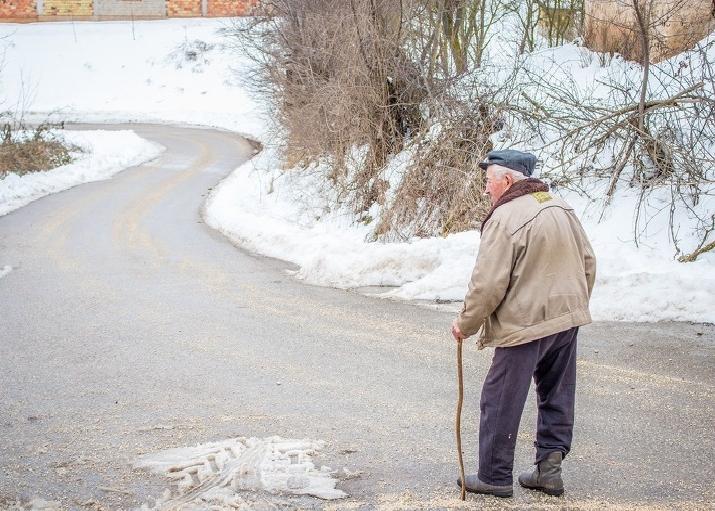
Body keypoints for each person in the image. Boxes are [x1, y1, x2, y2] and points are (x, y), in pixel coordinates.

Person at [452, 149, 596, 498]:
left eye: (488, 182)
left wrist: (466, 323)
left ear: (507, 180)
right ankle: (549, 471)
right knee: (556, 393)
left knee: (499, 398)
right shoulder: (561, 206)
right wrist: (572, 305)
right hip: (566, 317)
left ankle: (494, 476)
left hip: (526, 324)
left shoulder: (505, 218)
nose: (486, 190)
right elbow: (588, 262)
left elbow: (487, 284)